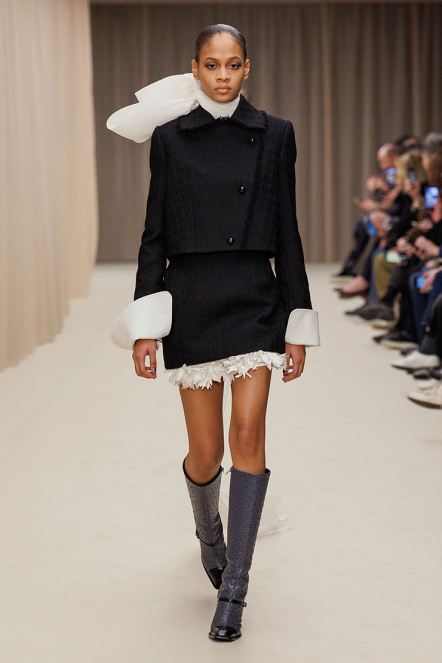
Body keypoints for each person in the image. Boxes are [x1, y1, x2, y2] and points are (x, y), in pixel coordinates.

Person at [106, 24, 320, 642]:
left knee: (247, 433)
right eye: (211, 64)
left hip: (255, 296)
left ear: (247, 68)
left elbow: (288, 230)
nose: (222, 75)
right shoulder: (170, 138)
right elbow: (154, 234)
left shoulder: (276, 134)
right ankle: (209, 537)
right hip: (194, 300)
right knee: (205, 453)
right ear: (195, 68)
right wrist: (146, 327)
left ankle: (235, 589)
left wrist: (298, 320)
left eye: (232, 64)